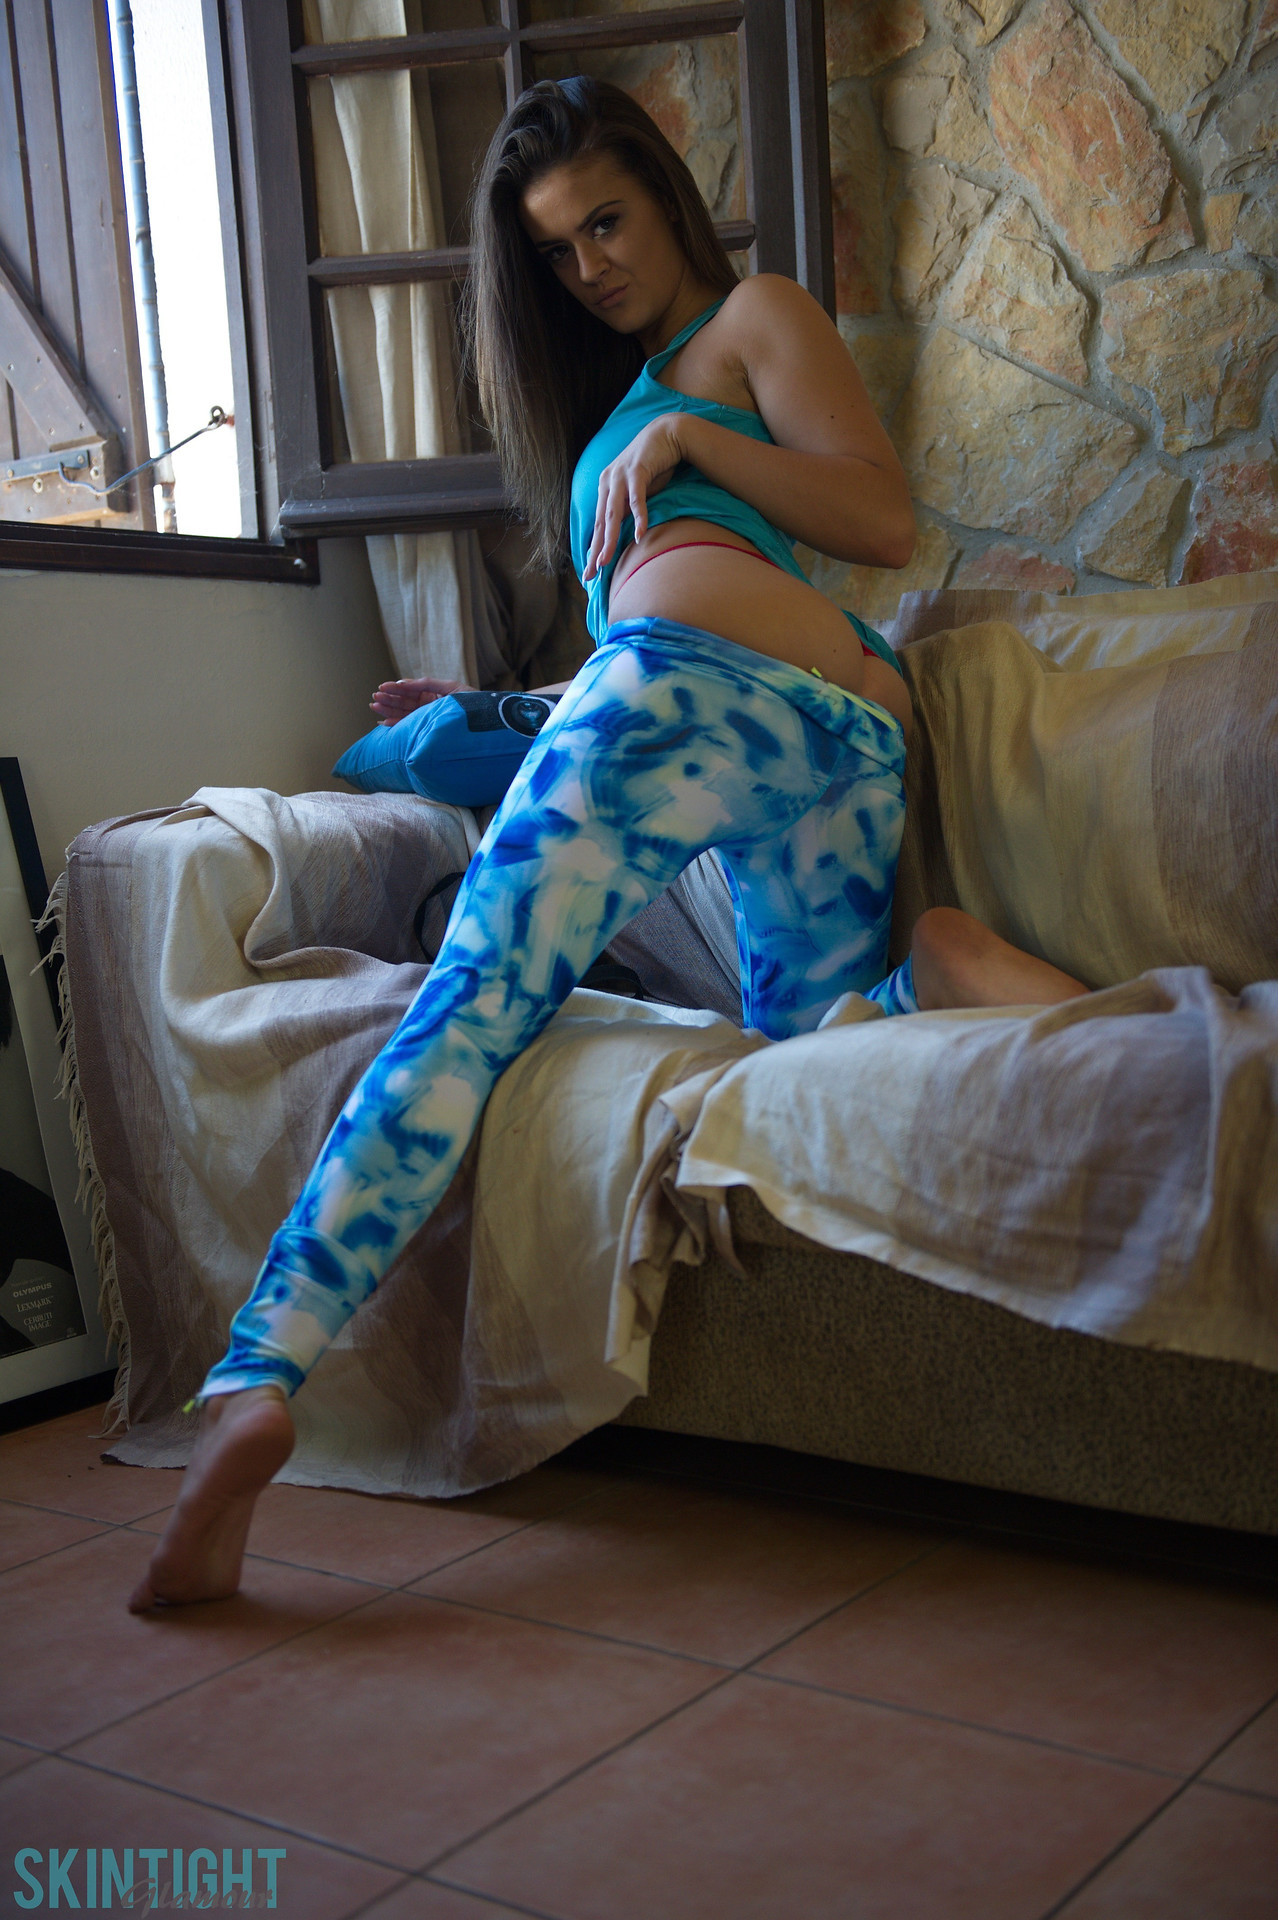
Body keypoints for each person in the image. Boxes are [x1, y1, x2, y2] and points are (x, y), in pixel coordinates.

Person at [130, 78, 1085, 1611]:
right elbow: (658, 627)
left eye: (606, 221)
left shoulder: (751, 320)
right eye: (555, 251)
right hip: (815, 739)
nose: (588, 265)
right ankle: (935, 971)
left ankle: (259, 1371)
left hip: (739, 693)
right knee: (800, 1052)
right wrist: (487, 708)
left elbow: (879, 519)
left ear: (662, 188)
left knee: (469, 1005)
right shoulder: (620, 400)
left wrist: (689, 446)